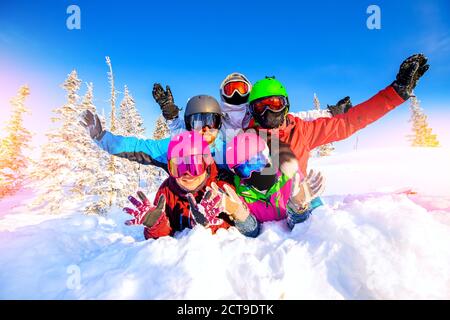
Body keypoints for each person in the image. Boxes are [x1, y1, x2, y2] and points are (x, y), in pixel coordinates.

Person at [245, 54, 430, 177]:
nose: (268, 112)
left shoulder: (302, 131)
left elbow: (349, 123)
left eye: (275, 104)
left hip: (296, 203)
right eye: (261, 107)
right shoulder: (246, 137)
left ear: (285, 105)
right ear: (252, 110)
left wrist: (395, 93)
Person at [122, 131, 260, 239]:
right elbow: (162, 241)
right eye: (178, 168)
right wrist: (156, 224)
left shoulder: (221, 186)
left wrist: (235, 210)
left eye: (195, 166)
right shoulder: (167, 192)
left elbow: (252, 231)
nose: (187, 174)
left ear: (206, 164)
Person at [80, 95, 229, 172]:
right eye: (198, 122)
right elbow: (138, 147)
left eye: (212, 121)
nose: (206, 129)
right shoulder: (174, 148)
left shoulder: (226, 150)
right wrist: (102, 137)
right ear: (189, 124)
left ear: (219, 124)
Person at [210, 132, 325, 229]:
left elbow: (315, 227)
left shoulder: (291, 177)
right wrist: (241, 216)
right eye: (243, 169)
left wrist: (299, 207)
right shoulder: (240, 195)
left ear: (266, 155)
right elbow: (254, 232)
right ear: (236, 173)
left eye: (256, 161)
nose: (252, 172)